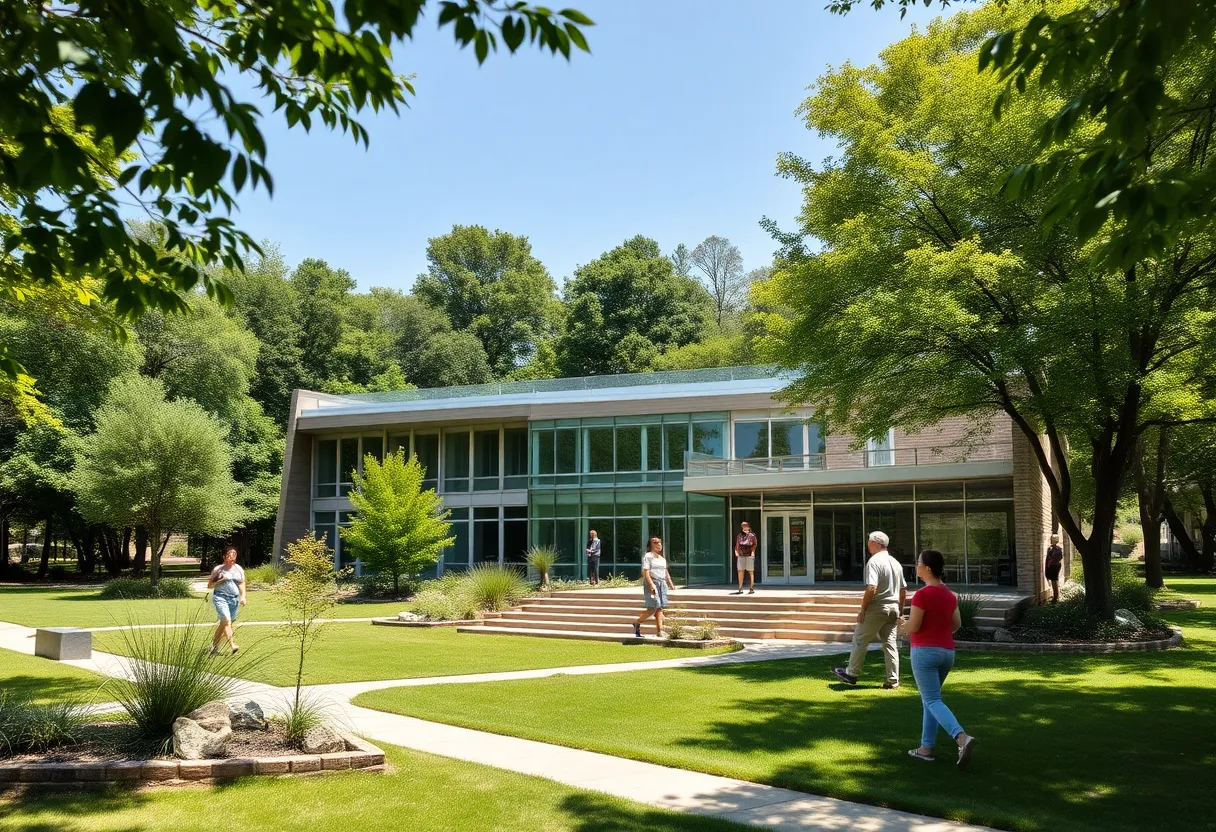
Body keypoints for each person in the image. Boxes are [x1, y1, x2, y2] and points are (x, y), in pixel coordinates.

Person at [899, 549, 977, 768]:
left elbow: (913, 626)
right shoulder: (949, 595)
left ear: (928, 568)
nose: (916, 566)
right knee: (930, 701)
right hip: (946, 653)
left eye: (918, 563)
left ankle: (961, 737)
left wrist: (901, 628)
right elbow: (956, 625)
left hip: (924, 652)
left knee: (932, 700)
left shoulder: (922, 595)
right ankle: (926, 748)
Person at [833, 530, 906, 689]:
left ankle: (851, 674)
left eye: (869, 540)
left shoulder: (874, 562)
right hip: (893, 608)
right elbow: (903, 590)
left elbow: (872, 587)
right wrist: (900, 610)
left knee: (860, 639)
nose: (867, 544)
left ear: (876, 543)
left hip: (877, 607)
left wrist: (863, 609)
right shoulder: (896, 563)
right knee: (890, 644)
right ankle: (893, 681)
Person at [208, 545, 247, 656]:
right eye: (230, 554)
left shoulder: (238, 569)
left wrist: (243, 596)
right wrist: (221, 580)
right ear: (224, 556)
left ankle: (214, 648)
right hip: (220, 597)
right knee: (226, 621)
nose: (232, 556)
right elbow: (210, 585)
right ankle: (232, 644)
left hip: (234, 599)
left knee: (224, 624)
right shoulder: (218, 570)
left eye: (234, 553)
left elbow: (242, 583)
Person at [633, 538, 675, 638]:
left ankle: (659, 631)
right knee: (654, 607)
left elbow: (665, 572)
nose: (659, 545)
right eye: (655, 543)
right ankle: (637, 623)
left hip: (662, 584)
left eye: (660, 543)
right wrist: (651, 585)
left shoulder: (662, 559)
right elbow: (646, 572)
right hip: (652, 582)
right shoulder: (648, 556)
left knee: (659, 608)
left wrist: (670, 583)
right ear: (651, 545)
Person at [733, 521, 757, 594]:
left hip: (749, 555)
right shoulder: (739, 536)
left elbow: (755, 544)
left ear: (748, 526)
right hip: (741, 555)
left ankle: (751, 587)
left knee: (750, 571)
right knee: (740, 571)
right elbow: (737, 545)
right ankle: (740, 588)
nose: (744, 527)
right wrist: (736, 552)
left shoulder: (752, 535)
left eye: (745, 525)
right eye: (742, 526)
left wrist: (753, 552)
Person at [1044, 533, 1064, 603]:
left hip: (1055, 566)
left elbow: (1060, 557)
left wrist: (1052, 560)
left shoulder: (1058, 549)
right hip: (1051, 566)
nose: (1050, 540)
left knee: (1054, 580)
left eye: (1051, 539)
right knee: (1054, 580)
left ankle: (1055, 597)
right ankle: (1056, 596)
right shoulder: (1050, 548)